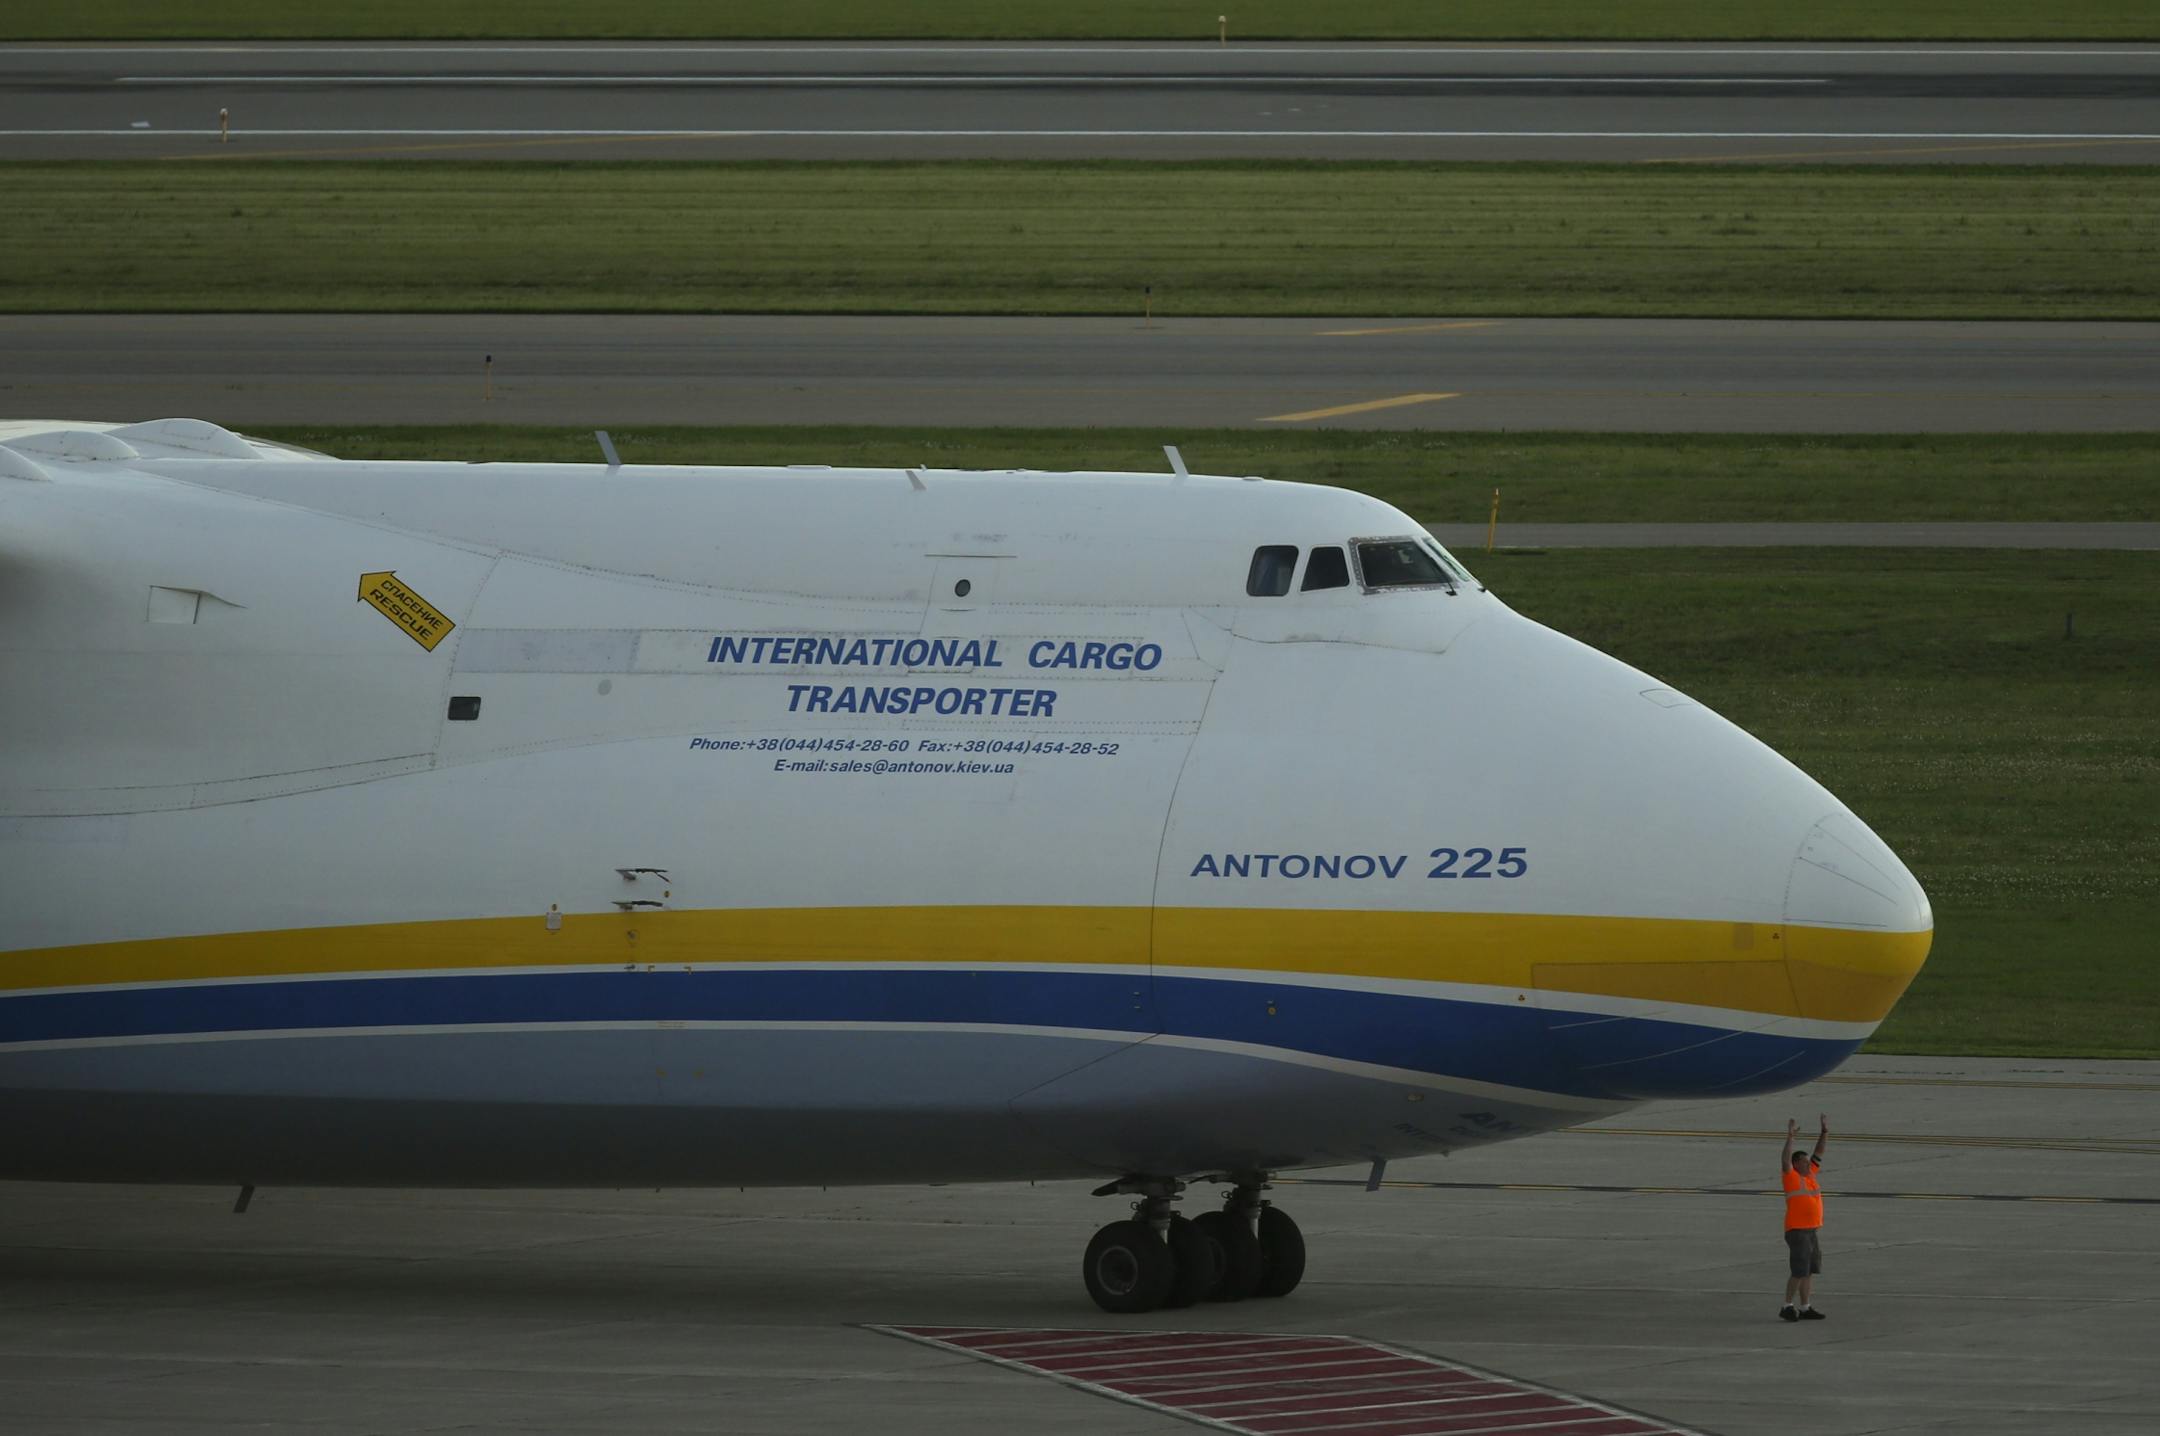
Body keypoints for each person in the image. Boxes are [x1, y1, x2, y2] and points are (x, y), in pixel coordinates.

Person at [1780, 1115, 1828, 1321]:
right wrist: (1790, 1137)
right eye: (1804, 1161)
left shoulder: (1811, 1175)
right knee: (1799, 1270)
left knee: (1808, 1270)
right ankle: (1787, 1306)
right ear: (1796, 1164)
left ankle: (1805, 1307)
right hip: (1797, 1231)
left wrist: (1824, 1133)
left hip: (1811, 1230)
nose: (1809, 1164)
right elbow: (1784, 1159)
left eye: (1809, 1162)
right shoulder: (1791, 1177)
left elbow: (1819, 1152)